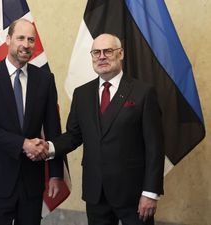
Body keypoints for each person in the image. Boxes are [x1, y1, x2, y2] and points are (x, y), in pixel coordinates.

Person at [29, 33, 164, 225]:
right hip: (96, 193)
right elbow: (74, 136)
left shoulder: (143, 92)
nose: (101, 56)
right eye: (96, 52)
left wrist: (151, 193)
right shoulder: (82, 94)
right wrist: (47, 147)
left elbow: (155, 147)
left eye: (108, 51)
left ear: (121, 54)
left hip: (133, 194)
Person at [0, 18, 63, 225]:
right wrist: (23, 144)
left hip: (31, 179)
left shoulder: (45, 80)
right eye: (20, 38)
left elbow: (53, 128)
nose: (26, 44)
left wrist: (56, 174)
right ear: (8, 39)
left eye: (31, 40)